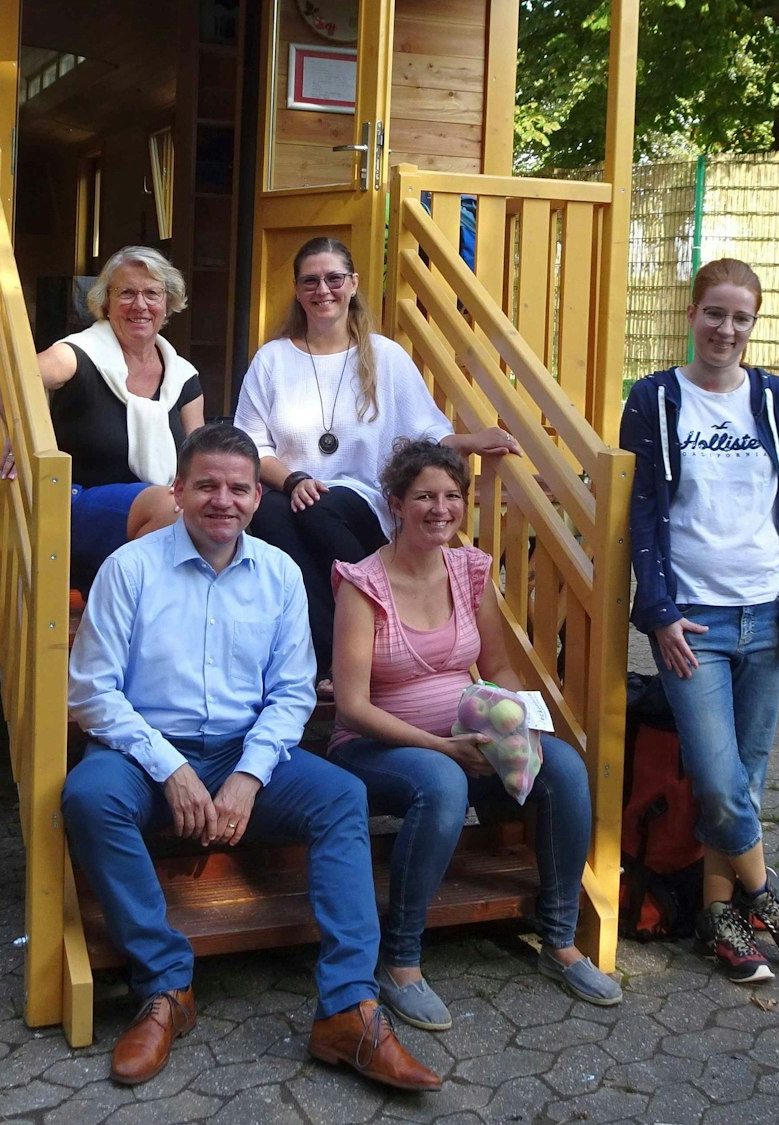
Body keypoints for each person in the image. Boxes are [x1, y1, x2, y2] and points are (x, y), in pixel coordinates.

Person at [63, 423, 443, 1092]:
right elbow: (93, 692)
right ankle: (165, 986)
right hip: (146, 754)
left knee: (341, 797)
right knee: (88, 798)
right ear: (177, 490)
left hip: (244, 752)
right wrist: (170, 768)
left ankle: (348, 1009)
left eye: (239, 488)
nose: (223, 500)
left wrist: (246, 775)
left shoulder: (278, 573)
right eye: (206, 485)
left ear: (256, 499)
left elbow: (292, 693)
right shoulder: (129, 569)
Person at [326, 439, 622, 1031]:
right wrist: (442, 747)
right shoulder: (362, 584)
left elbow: (501, 667)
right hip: (376, 748)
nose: (440, 509)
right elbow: (352, 706)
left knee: (563, 767)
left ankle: (560, 940)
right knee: (442, 783)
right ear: (395, 504)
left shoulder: (469, 571)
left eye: (452, 496)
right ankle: (400, 960)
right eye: (424, 497)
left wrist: (512, 727)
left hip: (468, 739)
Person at [619, 258, 779, 985]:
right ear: (691, 314)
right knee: (715, 778)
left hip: (767, 616)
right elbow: (642, 513)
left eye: (741, 317)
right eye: (714, 313)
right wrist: (659, 613)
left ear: (753, 323)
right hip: (694, 624)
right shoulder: (655, 399)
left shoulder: (775, 399)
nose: (726, 329)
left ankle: (719, 919)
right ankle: (769, 898)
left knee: (745, 779)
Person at [233, 236, 518, 676]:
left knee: (320, 508)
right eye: (310, 281)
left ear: (353, 284)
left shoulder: (385, 355)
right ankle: (332, 655)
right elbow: (252, 445)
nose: (322, 290)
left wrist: (470, 441)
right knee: (269, 514)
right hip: (288, 491)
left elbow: (424, 430)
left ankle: (370, 628)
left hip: (361, 501)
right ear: (297, 290)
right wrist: (293, 480)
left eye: (334, 279)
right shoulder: (272, 359)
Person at [38, 246, 205, 591]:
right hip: (74, 502)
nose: (140, 305)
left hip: (157, 514)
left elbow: (199, 459)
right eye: (126, 293)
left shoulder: (183, 377)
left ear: (168, 303)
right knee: (173, 508)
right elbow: (10, 379)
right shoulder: (78, 355)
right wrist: (16, 435)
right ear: (106, 303)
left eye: (152, 293)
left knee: (215, 510)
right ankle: (121, 603)